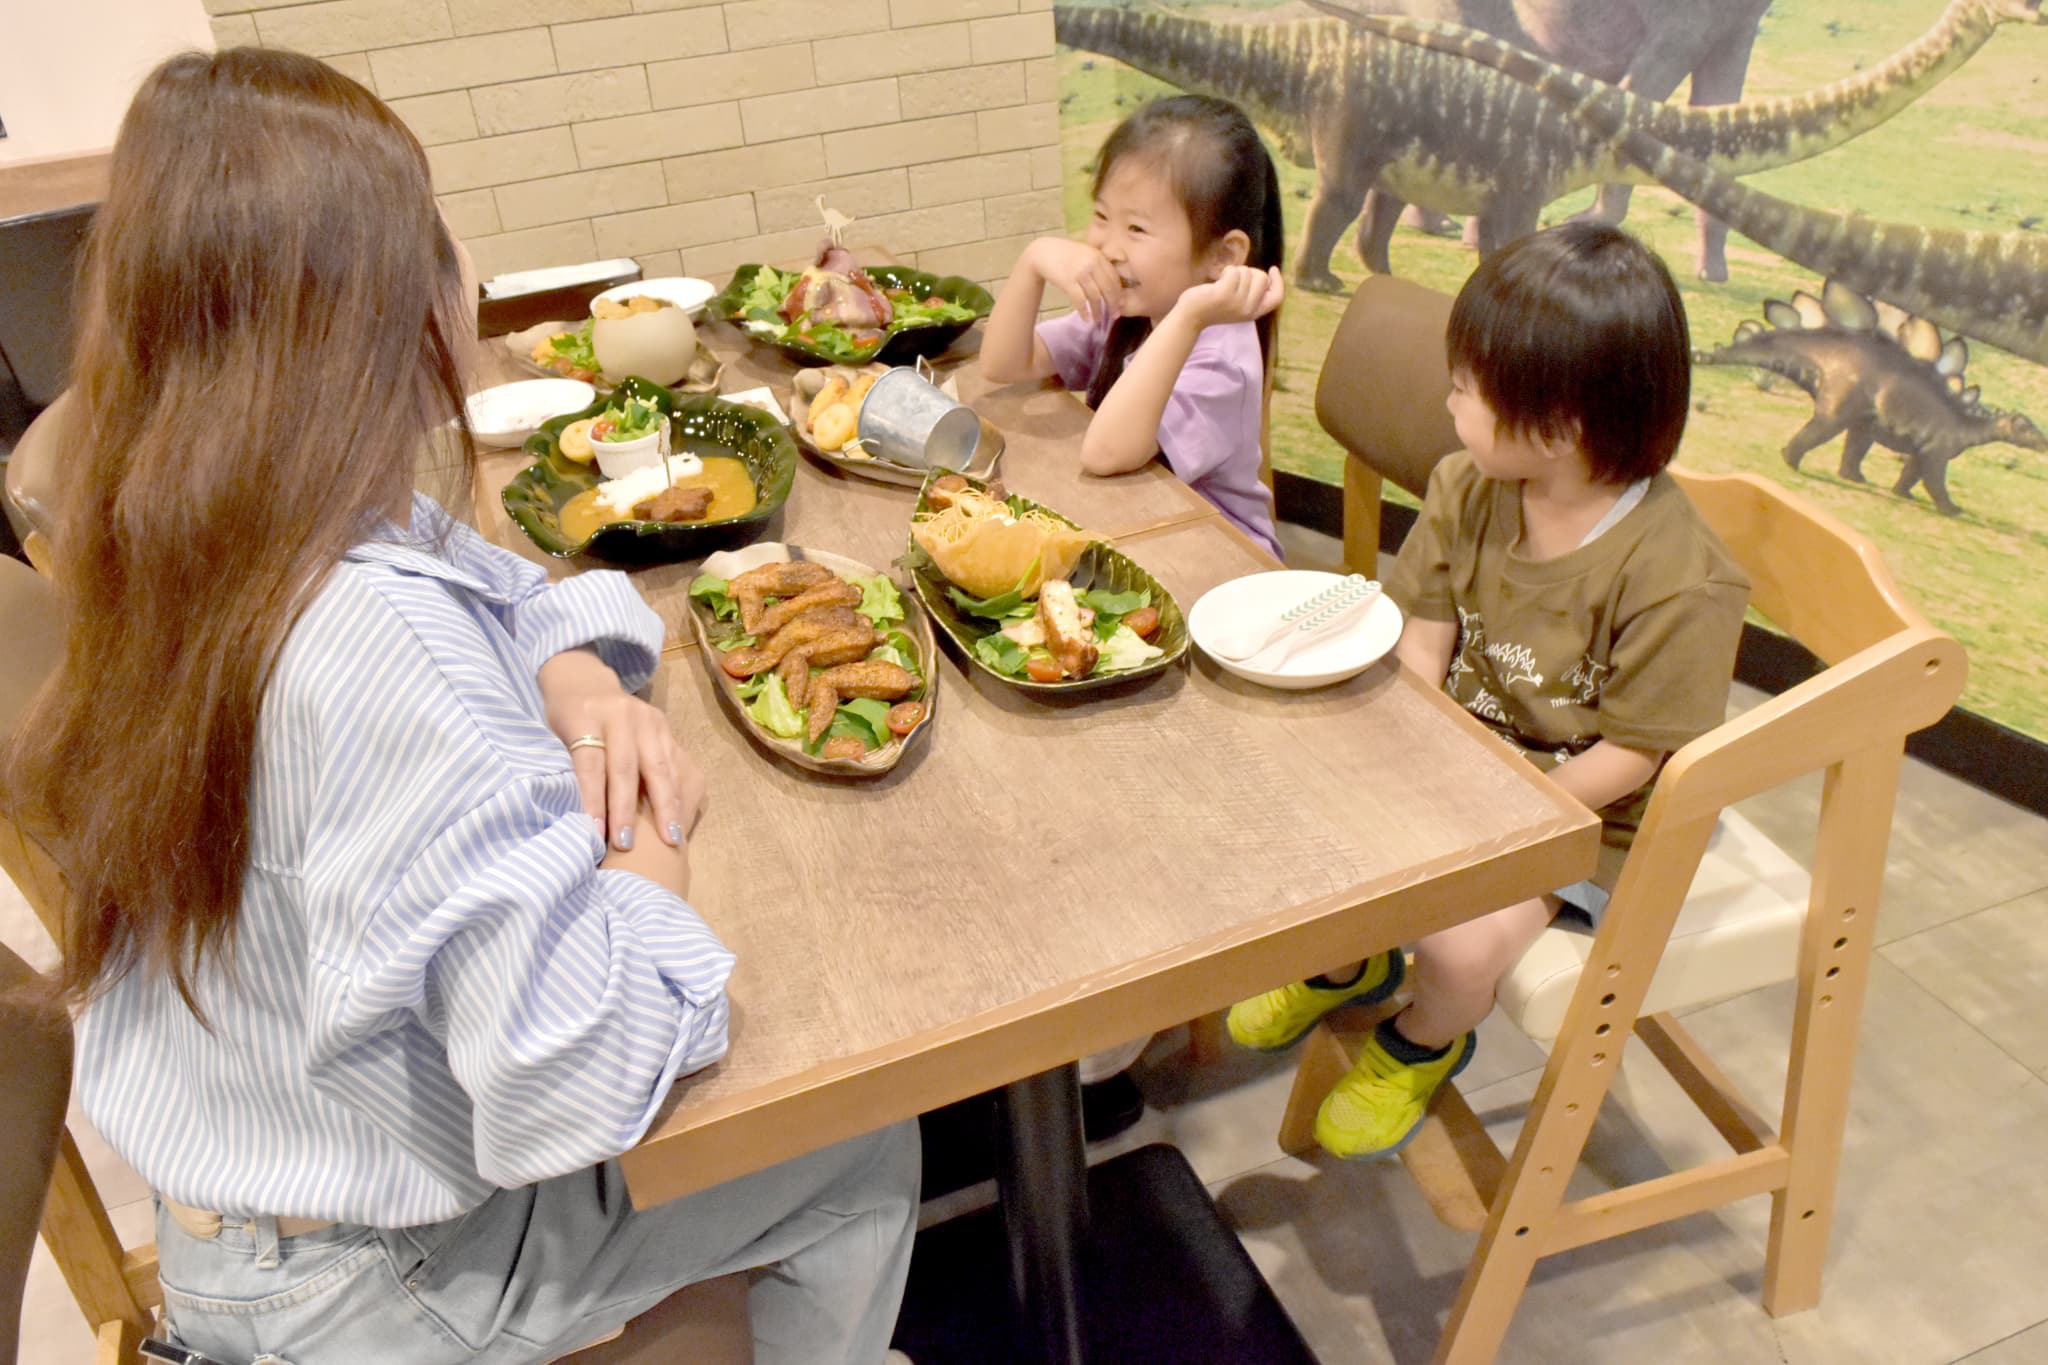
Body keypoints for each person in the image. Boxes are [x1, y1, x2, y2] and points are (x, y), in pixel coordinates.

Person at [0, 49, 916, 1363]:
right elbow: (570, 1079)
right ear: (396, 312)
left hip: (254, 1204)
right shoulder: (368, 643)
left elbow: (507, 580)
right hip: (360, 1277)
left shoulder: (197, 510)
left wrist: (583, 683)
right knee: (859, 1135)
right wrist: (647, 840)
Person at [1226, 222, 1750, 1159]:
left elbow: (1634, 754)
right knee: (1318, 825)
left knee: (1461, 948)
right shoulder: (1469, 483)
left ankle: (1422, 1039)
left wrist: (1495, 812)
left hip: (1587, 819)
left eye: (1467, 388)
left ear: (1556, 428)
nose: (1449, 398)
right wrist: (1426, 759)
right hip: (1470, 759)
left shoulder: (1678, 575)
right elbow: (1425, 628)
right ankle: (1349, 961)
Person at [981, 94, 1286, 560]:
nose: (1110, 246)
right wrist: (1033, 260)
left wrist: (1188, 315)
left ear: (1221, 256)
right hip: (1142, 537)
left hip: (1224, 565)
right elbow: (1003, 363)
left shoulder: (1221, 358)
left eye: (1137, 230)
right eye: (1102, 216)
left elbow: (1105, 454)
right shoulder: (1136, 309)